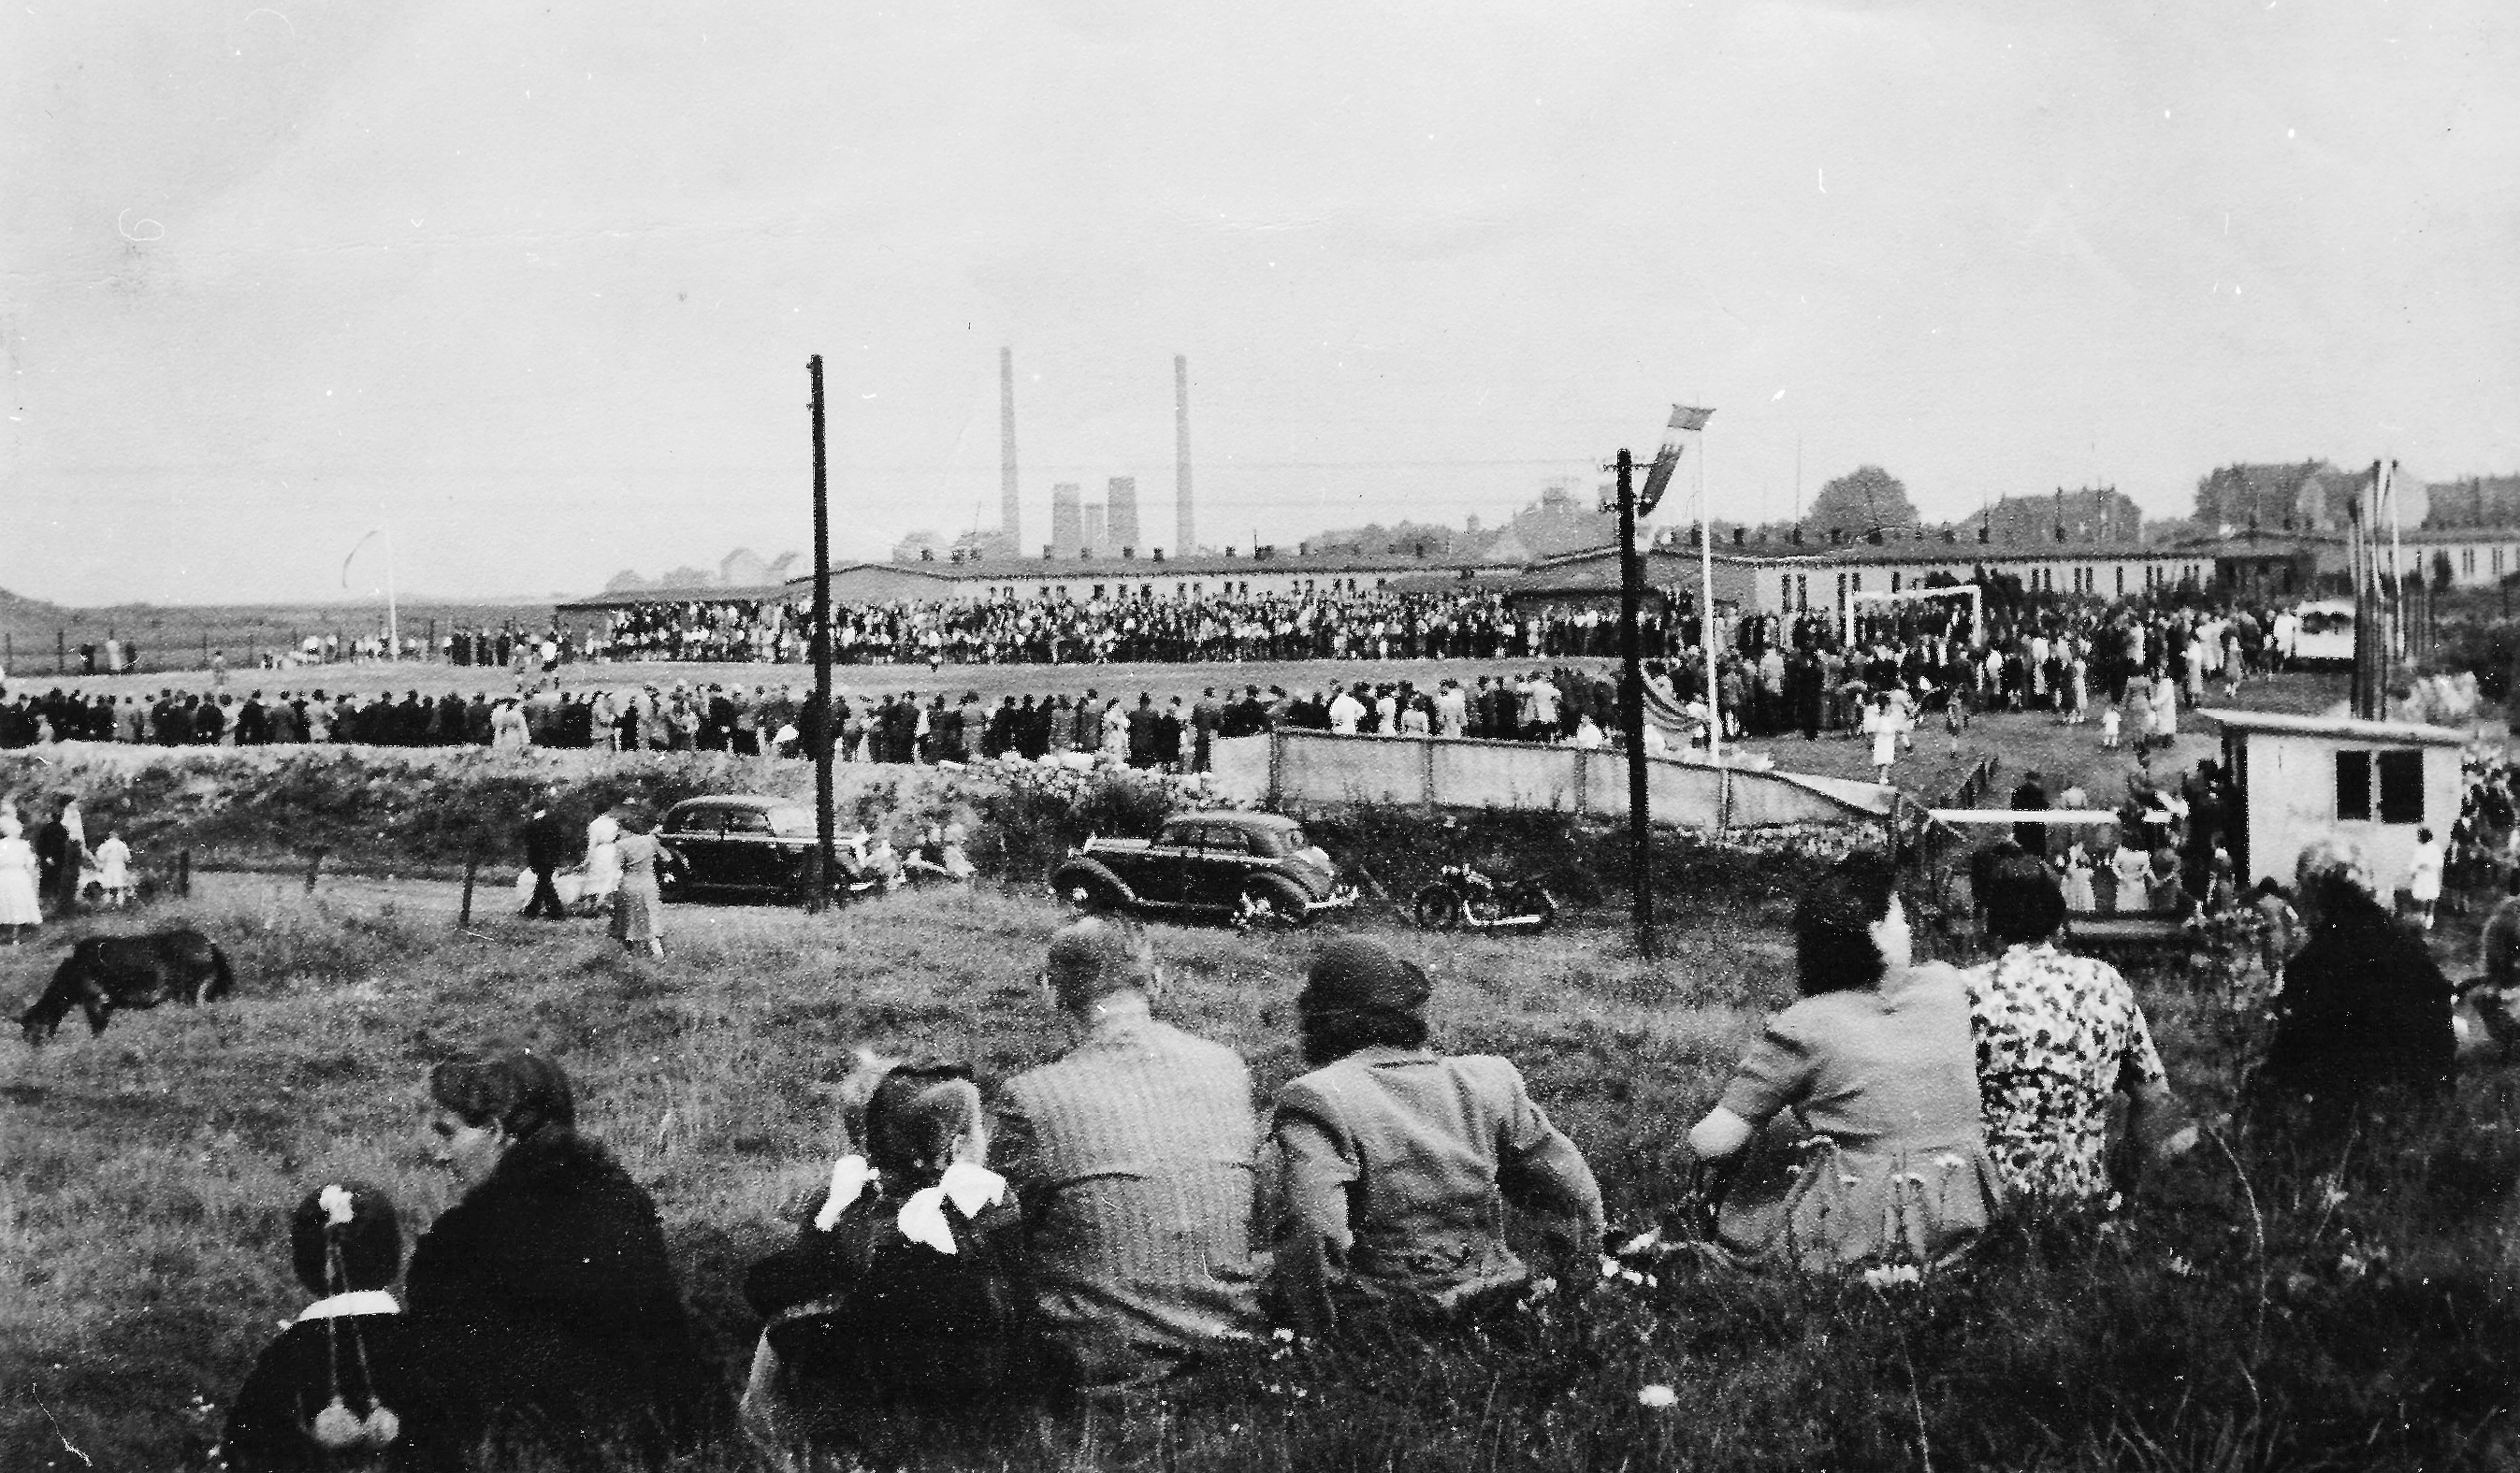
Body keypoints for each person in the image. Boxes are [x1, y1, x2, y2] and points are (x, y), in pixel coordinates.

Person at [1267, 937, 1602, 1338]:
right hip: (1497, 1299)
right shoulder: (1486, 1080)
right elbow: (1573, 1192)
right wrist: (1578, 1283)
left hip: (1388, 1321)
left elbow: (1312, 1230)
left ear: (1318, 1022)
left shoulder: (1318, 1096)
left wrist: (1320, 1336)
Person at [1686, 851, 2000, 1272]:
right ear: (1876, 934)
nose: (1909, 928)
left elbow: (1713, 1143)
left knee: (1773, 1130)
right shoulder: (1946, 986)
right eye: (1901, 918)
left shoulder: (1804, 1023)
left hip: (1864, 1230)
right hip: (1963, 1212)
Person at [406, 1044, 719, 1461]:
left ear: (496, 1131)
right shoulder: (622, 1199)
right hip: (660, 1447)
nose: (441, 1155)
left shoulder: (459, 1243)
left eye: (449, 1133)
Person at [990, 917, 1263, 1394]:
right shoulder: (1227, 1067)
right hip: (1229, 1343)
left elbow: (996, 1230)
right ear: (1156, 980)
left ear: (1050, 992)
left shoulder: (1031, 1096)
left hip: (1099, 1357)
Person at [741, 1054, 1029, 1457]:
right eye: (980, 1129)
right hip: (973, 1377)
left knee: (788, 1319)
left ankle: (766, 1428)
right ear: (957, 1146)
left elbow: (805, 1275)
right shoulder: (991, 1199)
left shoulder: (847, 1202)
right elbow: (1017, 1288)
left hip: (877, 1376)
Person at [1963, 851, 2194, 1206]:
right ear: (2059, 921)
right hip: (2084, 1205)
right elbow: (2156, 1100)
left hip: (1991, 1208)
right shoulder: (2105, 982)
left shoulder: (1967, 991)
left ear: (1984, 920)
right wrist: (2126, 1177)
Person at [222, 1181, 473, 1473]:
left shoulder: (286, 1353)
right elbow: (464, 1429)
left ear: (303, 1265)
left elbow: (243, 1443)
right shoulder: (423, 1342)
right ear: (392, 1255)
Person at [2258, 836, 2455, 1122]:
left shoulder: (2313, 963)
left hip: (2359, 1113)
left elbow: (2293, 1057)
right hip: (2425, 1103)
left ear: (2313, 893)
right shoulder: (2405, 945)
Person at [611, 811, 667, 958]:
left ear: (626, 829)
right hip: (648, 883)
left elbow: (615, 868)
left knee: (627, 923)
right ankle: (657, 954)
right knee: (650, 919)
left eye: (620, 829)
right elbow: (666, 857)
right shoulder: (650, 840)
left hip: (629, 884)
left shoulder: (621, 845)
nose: (618, 832)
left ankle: (630, 957)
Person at [520, 792, 567, 921]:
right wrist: (557, 858)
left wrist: (531, 863)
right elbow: (559, 842)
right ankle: (551, 911)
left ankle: (538, 910)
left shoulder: (530, 826)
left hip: (539, 860)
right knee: (544, 884)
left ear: (532, 809)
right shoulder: (553, 823)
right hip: (552, 859)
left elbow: (531, 848)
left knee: (543, 884)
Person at [0, 810, 44, 944]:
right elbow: (30, 863)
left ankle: (5, 933)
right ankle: (15, 936)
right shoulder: (23, 845)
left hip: (3, 875)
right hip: (18, 875)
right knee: (18, 903)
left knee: (5, 904)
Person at [2405, 826, 2444, 931]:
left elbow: (2439, 862)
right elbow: (2414, 862)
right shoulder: (2418, 849)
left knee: (2431, 897)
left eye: (2419, 836)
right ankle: (2422, 916)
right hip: (2421, 876)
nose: (2418, 839)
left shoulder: (2435, 848)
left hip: (2430, 876)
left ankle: (2430, 918)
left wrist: (2428, 865)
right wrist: (2413, 871)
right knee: (2421, 897)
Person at [93, 828, 133, 906]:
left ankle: (107, 903)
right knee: (120, 886)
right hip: (119, 866)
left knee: (107, 886)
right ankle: (120, 903)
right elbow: (128, 857)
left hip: (108, 866)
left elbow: (100, 856)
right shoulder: (122, 845)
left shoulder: (106, 845)